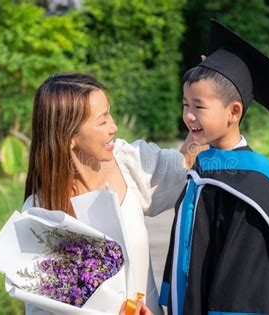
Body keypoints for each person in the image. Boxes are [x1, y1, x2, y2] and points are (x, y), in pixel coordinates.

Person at [159, 20, 269, 314]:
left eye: (199, 107)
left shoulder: (252, 182)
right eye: (185, 104)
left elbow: (247, 278)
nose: (188, 116)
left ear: (234, 112)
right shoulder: (203, 167)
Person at [22, 73, 198, 314]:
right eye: (102, 120)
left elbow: (185, 162)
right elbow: (41, 307)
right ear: (70, 135)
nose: (113, 127)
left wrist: (206, 93)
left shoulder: (129, 163)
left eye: (109, 113)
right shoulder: (40, 214)